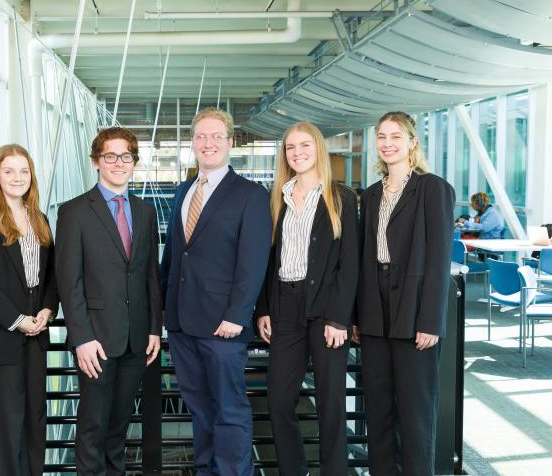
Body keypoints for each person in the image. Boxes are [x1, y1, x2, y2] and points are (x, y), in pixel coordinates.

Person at [161, 107, 272, 476]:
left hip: (223, 325)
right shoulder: (183, 190)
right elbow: (174, 255)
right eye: (201, 136)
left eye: (215, 136)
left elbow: (253, 262)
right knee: (199, 409)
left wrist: (237, 317)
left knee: (230, 409)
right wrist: (164, 312)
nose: (208, 143)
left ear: (229, 142)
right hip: (181, 323)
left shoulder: (250, 194)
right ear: (193, 142)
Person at [55, 127, 162, 475]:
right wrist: (82, 338)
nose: (118, 163)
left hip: (135, 340)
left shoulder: (145, 213)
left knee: (118, 429)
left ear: (134, 162)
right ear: (96, 161)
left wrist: (154, 329)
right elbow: (69, 282)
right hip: (96, 341)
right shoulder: (74, 212)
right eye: (110, 156)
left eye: (126, 156)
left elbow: (149, 277)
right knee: (92, 430)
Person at [353, 112, 455, 476]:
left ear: (412, 142)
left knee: (415, 415)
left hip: (414, 313)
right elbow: (364, 259)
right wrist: (356, 317)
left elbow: (440, 259)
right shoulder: (371, 193)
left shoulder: (432, 188)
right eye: (381, 136)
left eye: (396, 136)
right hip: (374, 313)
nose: (387, 143)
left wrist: (430, 320)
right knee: (378, 412)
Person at [255, 122, 359, 476]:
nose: (297, 153)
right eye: (290, 148)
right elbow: (270, 259)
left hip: (326, 311)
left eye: (304, 146)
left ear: (318, 150)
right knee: (278, 401)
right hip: (285, 307)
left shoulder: (339, 197)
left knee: (331, 405)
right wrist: (265, 308)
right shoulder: (277, 197)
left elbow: (350, 263)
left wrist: (339, 318)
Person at [0, 144, 58, 475]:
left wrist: (48, 310)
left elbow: (51, 275)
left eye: (23, 171)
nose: (17, 177)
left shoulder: (40, 219)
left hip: (37, 332)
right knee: (6, 426)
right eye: (8, 171)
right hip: (1, 336)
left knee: (35, 419)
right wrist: (18, 320)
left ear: (31, 176)